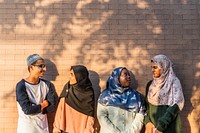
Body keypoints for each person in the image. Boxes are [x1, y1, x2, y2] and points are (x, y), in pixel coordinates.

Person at [16, 54, 57, 133]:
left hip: (43, 128)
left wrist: (35, 108)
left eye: (44, 66)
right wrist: (43, 105)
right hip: (26, 129)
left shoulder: (48, 85)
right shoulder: (21, 86)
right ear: (31, 67)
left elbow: (51, 107)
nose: (44, 69)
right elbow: (27, 110)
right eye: (41, 66)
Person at [97, 67, 146, 133]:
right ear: (116, 78)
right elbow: (101, 116)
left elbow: (140, 117)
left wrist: (130, 132)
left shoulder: (137, 97)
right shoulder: (105, 96)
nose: (128, 77)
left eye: (129, 75)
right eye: (125, 75)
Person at [144, 54, 185, 133]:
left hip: (170, 128)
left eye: (155, 67)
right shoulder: (150, 85)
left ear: (164, 67)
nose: (152, 70)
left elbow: (176, 105)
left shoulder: (174, 82)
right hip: (152, 128)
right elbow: (146, 106)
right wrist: (147, 122)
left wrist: (161, 126)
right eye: (151, 67)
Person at [53, 65, 95, 133]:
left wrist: (88, 130)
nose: (69, 77)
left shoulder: (88, 92)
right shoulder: (68, 88)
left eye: (72, 74)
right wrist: (56, 129)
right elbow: (60, 110)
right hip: (65, 130)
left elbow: (90, 114)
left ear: (79, 76)